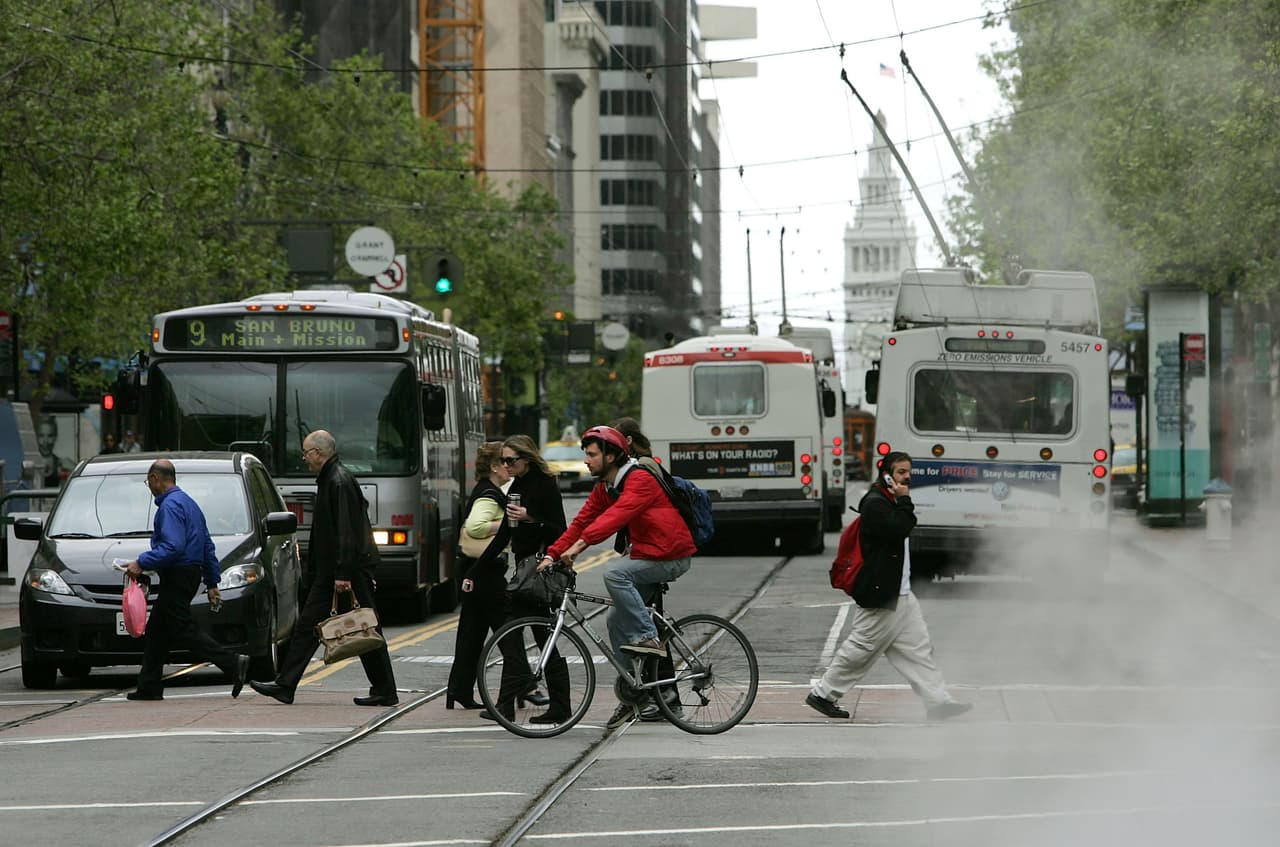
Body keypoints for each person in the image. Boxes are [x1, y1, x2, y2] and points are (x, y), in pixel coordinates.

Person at [543, 425, 696, 728]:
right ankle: (635, 691)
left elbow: (615, 518)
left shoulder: (639, 480)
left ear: (611, 456)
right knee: (614, 618)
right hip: (647, 555)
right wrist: (552, 553)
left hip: (671, 556)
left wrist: (580, 548)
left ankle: (648, 637)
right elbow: (582, 520)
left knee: (614, 573)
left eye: (591, 454)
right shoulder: (606, 487)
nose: (586, 460)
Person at [805, 451, 971, 722]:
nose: (907, 476)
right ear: (887, 474)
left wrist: (902, 499)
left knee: (918, 650)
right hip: (882, 593)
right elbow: (901, 528)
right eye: (901, 471)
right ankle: (823, 694)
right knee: (861, 647)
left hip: (901, 594)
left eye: (909, 471)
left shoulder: (889, 500)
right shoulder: (876, 503)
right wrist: (905, 499)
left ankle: (938, 701)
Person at [250, 430, 398, 707]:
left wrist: (342, 574)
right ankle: (287, 685)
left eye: (306, 452)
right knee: (347, 627)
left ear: (318, 453)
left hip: (342, 572)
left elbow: (346, 532)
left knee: (362, 627)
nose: (304, 458)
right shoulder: (333, 478)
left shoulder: (338, 481)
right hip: (336, 571)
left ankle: (384, 689)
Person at [123, 459, 249, 701]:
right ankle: (148, 686)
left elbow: (173, 547)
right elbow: (207, 545)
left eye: (148, 481)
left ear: (155, 479)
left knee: (183, 629)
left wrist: (142, 562)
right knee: (157, 631)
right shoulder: (190, 504)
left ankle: (233, 663)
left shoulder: (169, 507)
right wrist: (212, 582)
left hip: (177, 573)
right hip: (190, 573)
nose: (148, 486)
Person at [480, 435, 565, 722]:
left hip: (541, 573)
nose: (505, 465)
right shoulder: (516, 486)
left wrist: (532, 518)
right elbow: (505, 531)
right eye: (503, 460)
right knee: (522, 635)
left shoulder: (544, 486)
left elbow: (559, 530)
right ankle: (508, 704)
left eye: (510, 460)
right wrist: (475, 569)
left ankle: (517, 704)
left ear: (526, 458)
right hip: (524, 571)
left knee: (521, 634)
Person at [445, 441, 512, 710]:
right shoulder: (489, 495)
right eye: (504, 462)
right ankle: (524, 684)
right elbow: (476, 526)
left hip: (473, 570)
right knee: (509, 631)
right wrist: (508, 522)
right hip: (486, 573)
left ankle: (459, 690)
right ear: (494, 467)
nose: (508, 466)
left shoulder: (486, 490)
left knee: (471, 635)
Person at [36, 415, 73, 487]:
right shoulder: (30, 463)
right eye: (41, 436)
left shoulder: (62, 463)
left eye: (50, 436)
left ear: (55, 437)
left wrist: (73, 469)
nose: (45, 442)